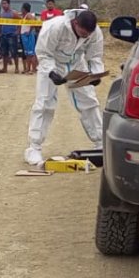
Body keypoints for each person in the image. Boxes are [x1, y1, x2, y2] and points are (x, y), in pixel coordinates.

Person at [24, 9, 105, 166]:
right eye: (83, 32)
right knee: (44, 104)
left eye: (89, 33)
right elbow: (43, 53)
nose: (86, 36)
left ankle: (100, 143)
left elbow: (95, 56)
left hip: (76, 64)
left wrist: (95, 75)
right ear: (75, 23)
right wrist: (51, 72)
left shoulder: (95, 32)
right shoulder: (54, 27)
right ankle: (34, 148)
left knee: (89, 102)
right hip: (53, 63)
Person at [0, 0, 21, 74]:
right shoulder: (2, 14)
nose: (4, 5)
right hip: (4, 35)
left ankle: (16, 68)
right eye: (2, 4)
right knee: (4, 53)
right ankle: (5, 68)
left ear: (9, 4)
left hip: (12, 34)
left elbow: (20, 21)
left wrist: (18, 31)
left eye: (5, 3)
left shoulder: (13, 13)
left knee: (14, 52)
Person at [19, 2, 39, 74]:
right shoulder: (24, 16)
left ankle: (33, 69)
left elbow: (33, 22)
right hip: (24, 35)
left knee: (31, 53)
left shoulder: (29, 15)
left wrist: (29, 31)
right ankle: (28, 68)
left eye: (22, 8)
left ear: (24, 9)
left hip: (28, 36)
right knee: (27, 53)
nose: (21, 9)